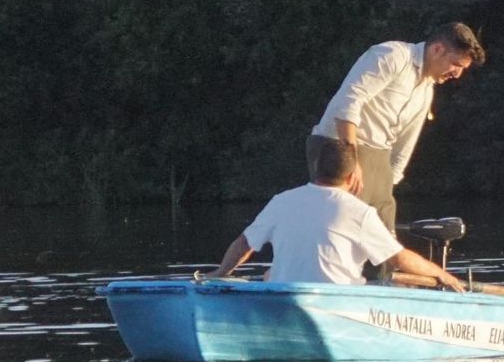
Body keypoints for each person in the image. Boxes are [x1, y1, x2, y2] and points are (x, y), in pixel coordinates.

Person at [207, 138, 465, 289]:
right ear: (353, 177)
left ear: (316, 166)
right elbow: (399, 260)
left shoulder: (281, 201)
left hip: (285, 295)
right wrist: (442, 275)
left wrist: (220, 274)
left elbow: (244, 245)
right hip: (338, 299)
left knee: (269, 276)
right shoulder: (360, 212)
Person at [310, 22, 486, 242]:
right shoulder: (392, 55)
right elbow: (348, 101)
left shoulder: (425, 90)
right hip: (337, 148)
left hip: (379, 156)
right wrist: (350, 158)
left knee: (384, 239)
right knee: (344, 232)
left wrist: (388, 184)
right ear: (437, 49)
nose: (457, 74)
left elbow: (405, 143)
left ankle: (382, 276)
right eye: (455, 64)